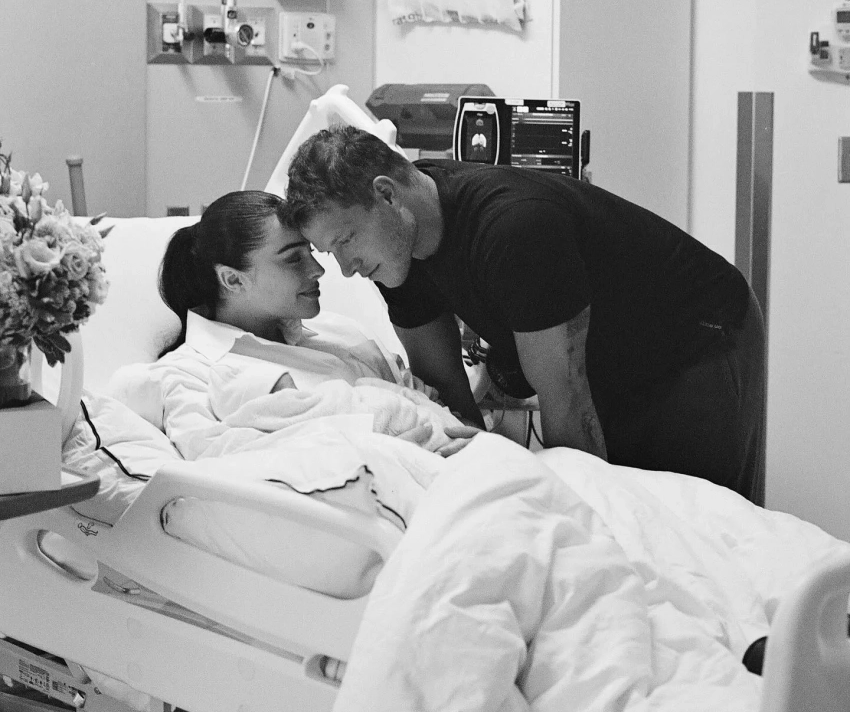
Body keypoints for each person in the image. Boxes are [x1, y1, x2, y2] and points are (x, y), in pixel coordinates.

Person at [284, 127, 767, 504]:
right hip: (613, 353)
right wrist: (474, 474)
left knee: (689, 516)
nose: (346, 268)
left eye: (345, 241)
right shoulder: (396, 250)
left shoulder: (514, 228)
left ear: (388, 195)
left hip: (696, 335)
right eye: (331, 252)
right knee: (625, 494)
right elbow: (444, 385)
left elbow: (567, 400)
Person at [142, 189, 472, 459]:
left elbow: (422, 402)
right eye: (293, 258)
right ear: (233, 279)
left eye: (311, 252)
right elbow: (220, 469)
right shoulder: (187, 374)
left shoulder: (342, 333)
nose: (318, 269)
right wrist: (377, 455)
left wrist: (458, 437)